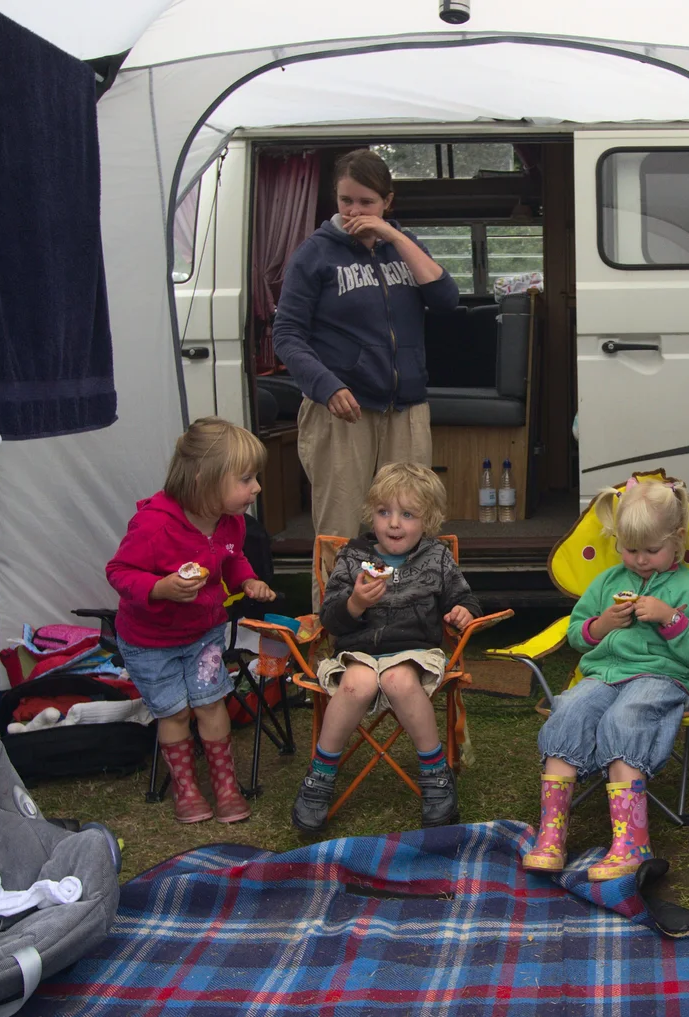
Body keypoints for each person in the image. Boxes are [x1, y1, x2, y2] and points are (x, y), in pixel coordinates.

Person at [522, 478, 689, 881]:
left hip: (661, 677)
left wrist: (670, 618)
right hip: (605, 675)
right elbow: (577, 634)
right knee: (569, 710)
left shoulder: (687, 589)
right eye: (630, 550)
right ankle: (552, 835)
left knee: (625, 719)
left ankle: (632, 842)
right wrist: (602, 624)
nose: (640, 561)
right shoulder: (608, 583)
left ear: (677, 541)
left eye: (652, 550)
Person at [273, 148, 461, 539]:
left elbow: (446, 299)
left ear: (387, 202)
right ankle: (336, 602)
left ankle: (408, 601)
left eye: (367, 202)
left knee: (409, 524)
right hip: (343, 410)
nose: (355, 211)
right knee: (340, 529)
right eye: (346, 200)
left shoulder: (403, 245)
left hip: (406, 408)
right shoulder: (314, 254)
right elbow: (287, 334)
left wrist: (392, 234)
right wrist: (327, 386)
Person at [106, 417, 278, 825]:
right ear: (205, 478)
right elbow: (119, 571)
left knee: (210, 703)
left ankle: (225, 787)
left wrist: (248, 580)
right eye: (246, 479)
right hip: (150, 642)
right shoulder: (154, 525)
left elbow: (233, 558)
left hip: (203, 635)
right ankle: (186, 790)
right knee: (175, 713)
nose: (255, 488)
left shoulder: (229, 521)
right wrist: (159, 588)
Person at [292, 462, 481, 832]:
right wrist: (356, 603)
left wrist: (461, 611)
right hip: (358, 651)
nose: (394, 523)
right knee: (356, 683)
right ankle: (320, 776)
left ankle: (435, 773)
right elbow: (330, 618)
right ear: (371, 514)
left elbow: (464, 599)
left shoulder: (436, 557)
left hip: (414, 652)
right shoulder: (352, 556)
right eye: (384, 512)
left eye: (407, 514)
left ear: (428, 520)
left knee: (398, 680)